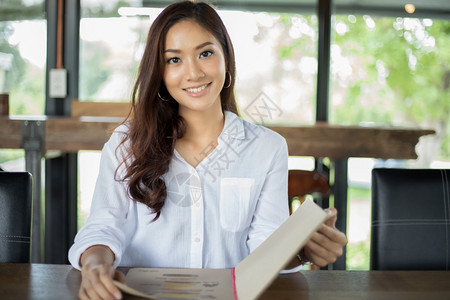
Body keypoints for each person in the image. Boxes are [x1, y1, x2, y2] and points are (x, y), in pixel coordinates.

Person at [68, 1, 347, 299]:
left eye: (205, 53)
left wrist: (303, 250)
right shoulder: (126, 144)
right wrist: (95, 264)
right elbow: (102, 227)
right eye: (174, 60)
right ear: (159, 72)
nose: (193, 73)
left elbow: (265, 253)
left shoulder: (267, 148)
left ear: (226, 57)